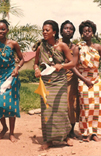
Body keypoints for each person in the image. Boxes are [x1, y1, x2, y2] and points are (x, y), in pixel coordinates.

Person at [34, 20, 78, 150]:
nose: (44, 32)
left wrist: (62, 65)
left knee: (61, 110)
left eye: (47, 30)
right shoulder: (40, 47)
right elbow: (36, 63)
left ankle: (65, 137)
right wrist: (36, 69)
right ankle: (48, 140)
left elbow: (73, 63)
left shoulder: (62, 46)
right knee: (47, 111)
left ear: (54, 32)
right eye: (43, 30)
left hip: (60, 82)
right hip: (46, 83)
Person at [0, 19, 24, 142]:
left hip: (11, 75)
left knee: (11, 105)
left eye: (3, 29)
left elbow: (22, 59)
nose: (0, 31)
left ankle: (11, 133)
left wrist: (17, 68)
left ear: (7, 30)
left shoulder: (13, 44)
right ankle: (4, 127)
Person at [60, 20, 80, 138]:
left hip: (72, 78)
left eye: (71, 29)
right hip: (58, 77)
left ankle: (71, 129)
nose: (68, 30)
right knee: (62, 105)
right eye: (66, 28)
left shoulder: (75, 47)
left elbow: (74, 64)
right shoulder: (56, 45)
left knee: (72, 104)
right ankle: (61, 130)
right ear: (61, 31)